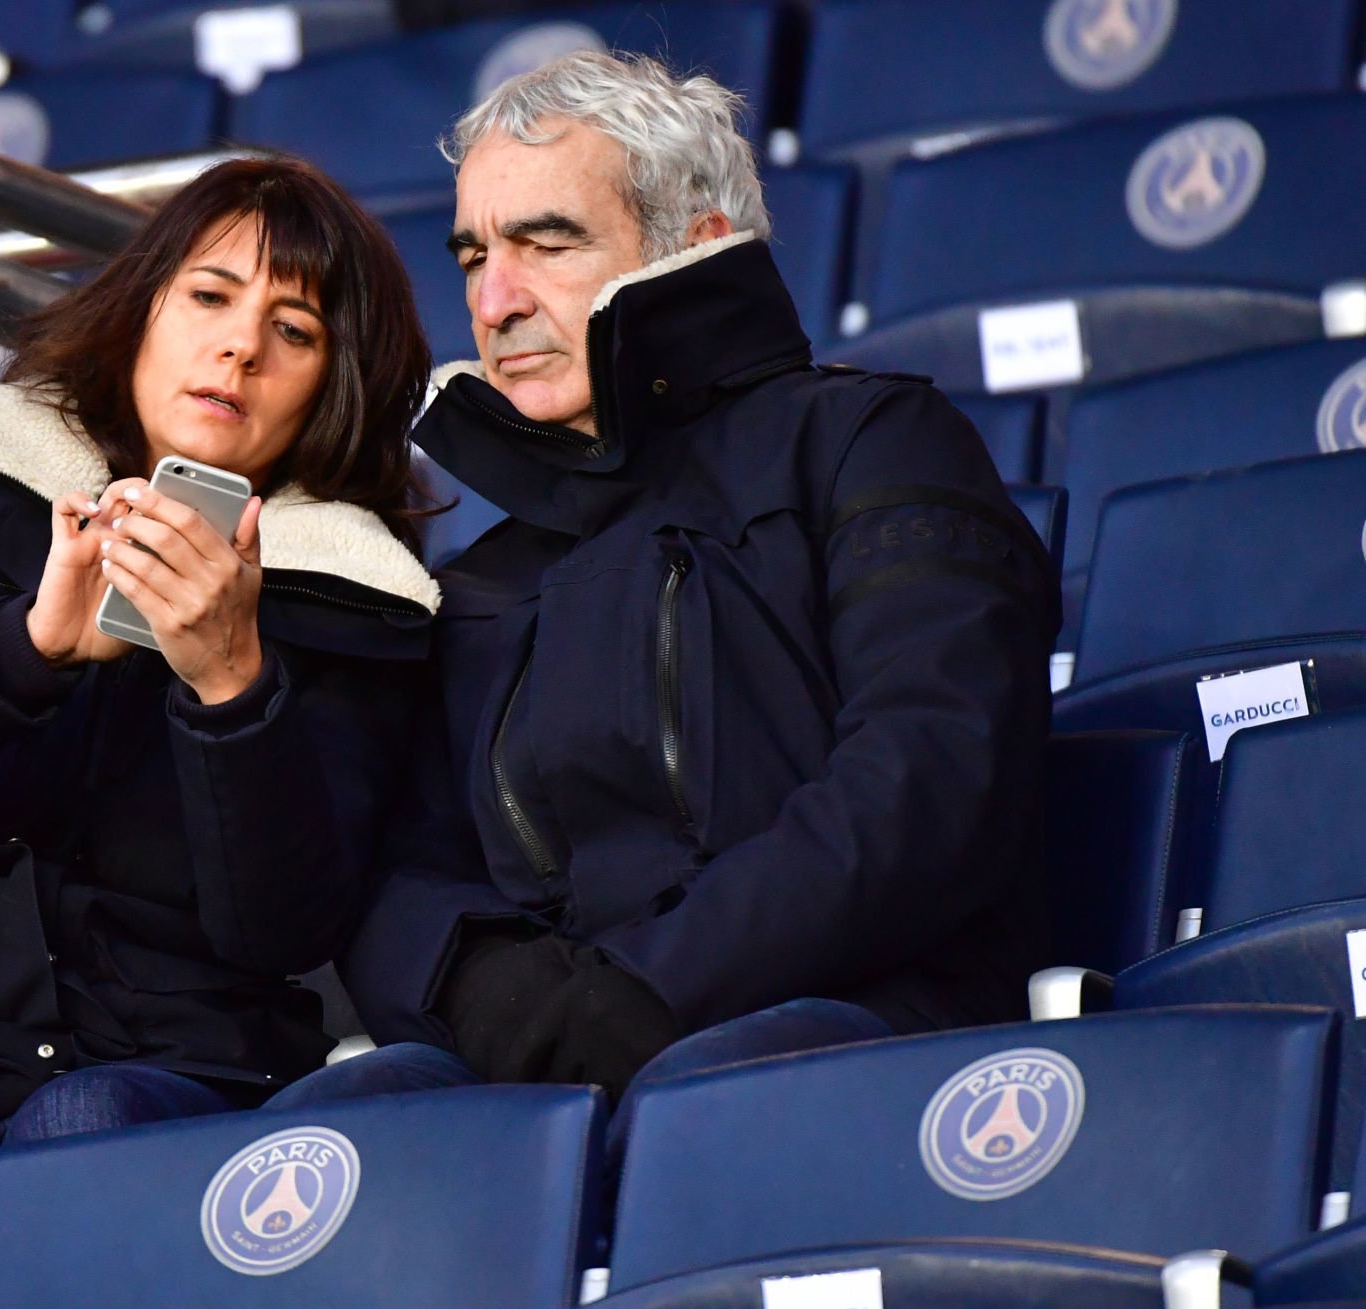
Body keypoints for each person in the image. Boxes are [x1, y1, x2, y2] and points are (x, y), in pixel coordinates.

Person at [0, 157, 468, 1205]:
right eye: (209, 297)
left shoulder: (358, 596)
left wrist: (231, 683)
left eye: (293, 332)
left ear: (332, 386)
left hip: (168, 1070)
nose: (240, 347)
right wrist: (26, 648)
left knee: (81, 1123)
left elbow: (285, 930)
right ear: (143, 306)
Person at [337, 52, 1060, 1121]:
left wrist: (653, 989)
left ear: (696, 246)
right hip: (563, 1053)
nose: (493, 301)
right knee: (347, 1123)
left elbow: (930, 772)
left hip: (858, 1021)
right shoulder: (483, 576)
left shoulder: (872, 442)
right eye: (475, 256)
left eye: (548, 243)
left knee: (695, 1096)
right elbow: (400, 870)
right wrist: (493, 991)